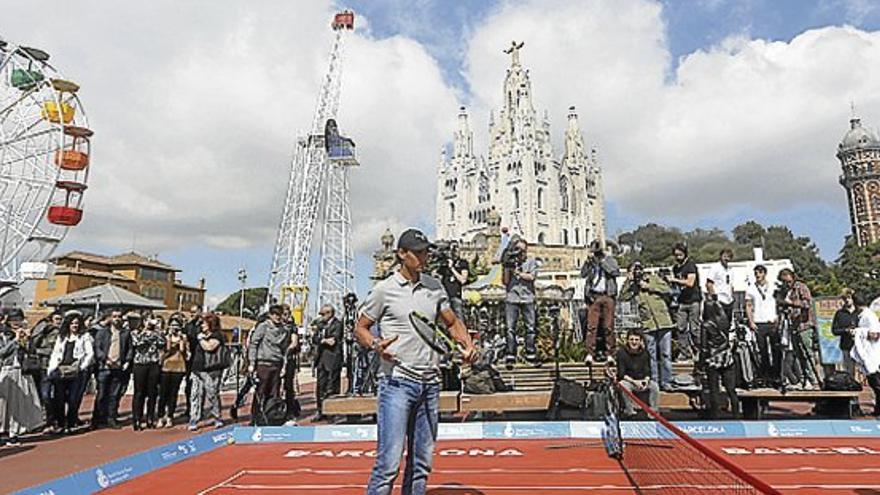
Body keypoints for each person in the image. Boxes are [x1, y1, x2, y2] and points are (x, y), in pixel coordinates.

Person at [354, 228, 477, 495]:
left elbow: (452, 322)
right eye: (419, 252)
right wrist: (376, 345)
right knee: (388, 464)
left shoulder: (434, 286)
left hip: (430, 383)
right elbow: (360, 327)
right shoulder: (384, 290)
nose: (425, 257)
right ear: (401, 254)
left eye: (426, 252)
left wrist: (467, 344)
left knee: (421, 464)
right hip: (397, 382)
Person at [618, 262, 675, 391]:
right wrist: (629, 281)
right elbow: (622, 297)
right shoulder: (633, 287)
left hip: (664, 322)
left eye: (639, 270)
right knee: (652, 355)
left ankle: (666, 382)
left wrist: (649, 287)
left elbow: (668, 290)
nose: (638, 272)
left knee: (666, 354)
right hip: (648, 324)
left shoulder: (653, 279)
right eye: (634, 271)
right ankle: (654, 382)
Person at [47, 312, 94, 434]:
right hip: (61, 370)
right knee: (59, 398)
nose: (74, 326)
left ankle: (72, 421)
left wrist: (82, 366)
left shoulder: (85, 336)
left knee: (74, 399)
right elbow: (55, 353)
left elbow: (90, 353)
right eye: (72, 323)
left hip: (76, 372)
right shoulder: (62, 337)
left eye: (77, 323)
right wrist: (51, 369)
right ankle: (61, 423)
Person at [0, 319, 43, 446]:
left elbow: (32, 353)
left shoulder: (25, 337)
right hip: (7, 371)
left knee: (19, 405)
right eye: (14, 323)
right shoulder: (4, 337)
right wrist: (15, 341)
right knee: (3, 405)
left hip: (23, 372)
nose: (18, 326)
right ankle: (3, 430)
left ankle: (15, 432)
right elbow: (2, 353)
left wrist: (27, 341)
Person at [777, 268, 819, 390]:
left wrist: (791, 303)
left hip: (804, 325)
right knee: (798, 354)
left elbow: (807, 304)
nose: (786, 284)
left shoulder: (801, 287)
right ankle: (804, 379)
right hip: (793, 325)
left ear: (792, 277)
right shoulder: (786, 291)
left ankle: (813, 380)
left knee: (807, 353)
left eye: (788, 281)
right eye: (784, 281)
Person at [247, 304, 290, 423]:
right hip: (263, 363)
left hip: (277, 363)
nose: (277, 317)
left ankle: (271, 416)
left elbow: (285, 349)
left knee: (274, 392)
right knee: (261, 391)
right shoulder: (263, 327)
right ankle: (256, 417)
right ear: (270, 315)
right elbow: (254, 344)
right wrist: (252, 363)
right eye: (275, 314)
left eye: (279, 314)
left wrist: (284, 366)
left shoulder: (284, 330)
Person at [580, 240, 621, 365]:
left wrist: (602, 262)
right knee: (591, 326)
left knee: (608, 326)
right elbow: (583, 274)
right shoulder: (591, 263)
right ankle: (590, 354)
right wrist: (588, 263)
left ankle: (610, 354)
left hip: (607, 295)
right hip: (594, 296)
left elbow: (615, 272)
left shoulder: (609, 260)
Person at [501, 237, 539, 366]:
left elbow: (532, 277)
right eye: (517, 249)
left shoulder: (531, 261)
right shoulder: (509, 262)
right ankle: (511, 354)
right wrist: (507, 268)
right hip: (512, 297)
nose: (520, 253)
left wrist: (519, 273)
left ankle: (530, 353)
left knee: (530, 327)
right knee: (510, 328)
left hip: (527, 298)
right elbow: (505, 281)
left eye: (522, 250)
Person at [92, 310, 131, 429]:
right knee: (101, 394)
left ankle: (111, 418)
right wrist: (105, 359)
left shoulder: (125, 333)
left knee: (114, 395)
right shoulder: (102, 332)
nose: (117, 319)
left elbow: (129, 349)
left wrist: (127, 361)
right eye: (114, 317)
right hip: (104, 367)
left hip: (119, 368)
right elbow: (97, 348)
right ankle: (97, 419)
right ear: (110, 318)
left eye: (119, 317)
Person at [701, 301, 740, 419]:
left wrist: (701, 362)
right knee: (731, 390)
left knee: (714, 389)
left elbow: (703, 346)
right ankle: (736, 414)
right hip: (727, 357)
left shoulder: (706, 325)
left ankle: (715, 415)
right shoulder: (725, 321)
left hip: (713, 359)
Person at [188, 313, 225, 431]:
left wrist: (201, 339)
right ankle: (194, 418)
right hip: (197, 369)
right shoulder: (199, 334)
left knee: (212, 393)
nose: (202, 325)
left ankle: (217, 416)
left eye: (204, 323)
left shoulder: (217, 335)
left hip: (212, 370)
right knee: (195, 394)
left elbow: (209, 347)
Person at [666, 243, 702, 361]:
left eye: (680, 254)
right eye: (676, 255)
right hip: (681, 301)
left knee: (694, 329)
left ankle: (699, 350)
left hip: (693, 300)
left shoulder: (690, 265)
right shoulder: (676, 268)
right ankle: (685, 352)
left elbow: (690, 282)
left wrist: (675, 280)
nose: (677, 257)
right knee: (680, 328)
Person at [745, 265, 779, 387]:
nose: (758, 275)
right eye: (756, 273)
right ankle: (765, 377)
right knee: (762, 351)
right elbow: (748, 305)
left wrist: (778, 317)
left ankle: (776, 376)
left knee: (776, 350)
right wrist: (751, 321)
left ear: (765, 273)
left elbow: (779, 303)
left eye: (759, 273)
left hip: (772, 321)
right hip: (759, 322)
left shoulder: (773, 287)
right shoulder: (751, 289)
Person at [130, 316, 165, 430]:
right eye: (147, 320)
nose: (149, 323)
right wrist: (145, 331)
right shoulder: (136, 332)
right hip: (140, 364)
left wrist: (158, 330)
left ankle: (150, 417)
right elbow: (137, 343)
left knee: (152, 392)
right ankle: (137, 419)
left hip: (153, 363)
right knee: (139, 393)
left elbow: (162, 343)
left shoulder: (156, 333)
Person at [616, 329, 659, 417]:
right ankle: (629, 410)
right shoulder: (621, 353)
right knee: (623, 386)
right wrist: (634, 382)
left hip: (642, 380)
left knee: (654, 387)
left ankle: (653, 412)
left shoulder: (645, 353)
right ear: (627, 340)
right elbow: (621, 374)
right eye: (631, 340)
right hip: (629, 381)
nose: (634, 342)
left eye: (636, 340)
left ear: (640, 341)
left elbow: (648, 371)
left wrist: (645, 381)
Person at [850, 292, 880, 415]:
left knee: (876, 383)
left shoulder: (869, 316)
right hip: (868, 354)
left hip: (872, 355)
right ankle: (878, 409)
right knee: (874, 384)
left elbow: (875, 335)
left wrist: (859, 332)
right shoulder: (862, 316)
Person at [31, 312, 62, 428]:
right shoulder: (42, 332)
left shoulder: (61, 333)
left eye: (60, 319)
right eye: (57, 319)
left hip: (56, 368)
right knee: (42, 395)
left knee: (53, 395)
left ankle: (54, 419)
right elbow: (33, 347)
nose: (58, 322)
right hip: (41, 367)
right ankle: (45, 419)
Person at [312, 304, 343, 420]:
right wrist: (323, 340)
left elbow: (333, 341)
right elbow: (314, 339)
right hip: (321, 359)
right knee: (320, 387)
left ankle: (333, 412)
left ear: (330, 313)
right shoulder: (320, 325)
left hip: (333, 359)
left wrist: (323, 340)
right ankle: (321, 411)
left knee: (332, 386)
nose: (321, 317)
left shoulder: (337, 324)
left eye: (323, 314)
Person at [158, 318, 189, 428]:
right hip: (166, 366)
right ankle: (160, 416)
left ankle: (170, 415)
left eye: (177, 326)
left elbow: (183, 350)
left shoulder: (183, 338)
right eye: (172, 325)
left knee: (173, 393)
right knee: (163, 393)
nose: (174, 328)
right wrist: (169, 338)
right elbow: (167, 350)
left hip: (179, 367)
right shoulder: (166, 337)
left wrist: (181, 339)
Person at [831, 288, 859, 376]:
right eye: (844, 298)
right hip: (846, 345)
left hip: (860, 345)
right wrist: (845, 330)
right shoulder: (839, 313)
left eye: (849, 298)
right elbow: (834, 330)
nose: (847, 300)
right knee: (848, 369)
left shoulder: (860, 312)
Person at [438, 242, 469, 319]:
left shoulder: (462, 263)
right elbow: (437, 276)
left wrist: (452, 268)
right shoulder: (445, 263)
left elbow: (463, 280)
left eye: (456, 249)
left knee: (459, 319)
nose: (454, 252)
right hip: (444, 296)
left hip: (456, 296)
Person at [706, 248, 736, 325]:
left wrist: (732, 297)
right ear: (720, 256)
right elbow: (709, 284)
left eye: (729, 257)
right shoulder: (715, 267)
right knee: (719, 324)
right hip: (719, 300)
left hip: (729, 301)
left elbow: (731, 285)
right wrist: (714, 299)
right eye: (725, 256)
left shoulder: (730, 270)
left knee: (728, 324)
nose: (726, 258)